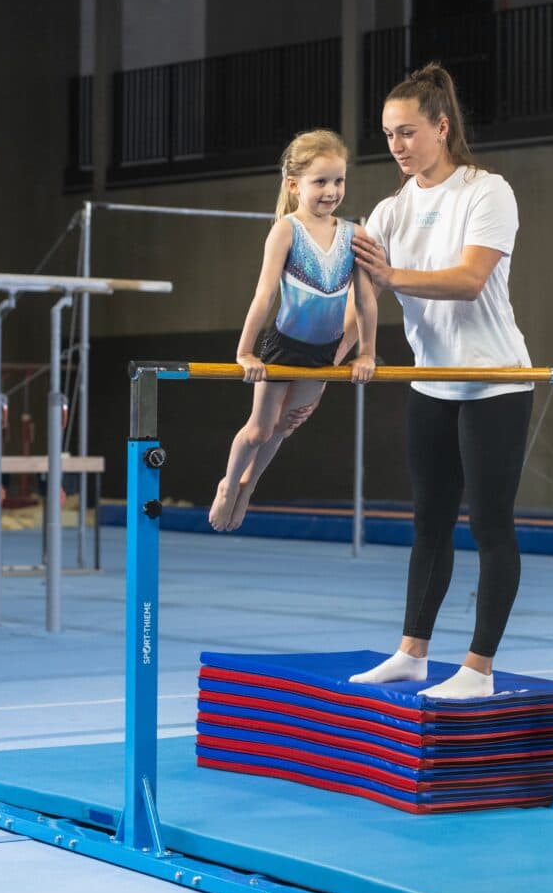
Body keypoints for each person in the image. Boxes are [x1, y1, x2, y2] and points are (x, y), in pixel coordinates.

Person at [347, 63, 534, 703]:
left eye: (407, 132)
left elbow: (469, 280)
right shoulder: (390, 209)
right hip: (432, 383)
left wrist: (390, 277)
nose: (396, 145)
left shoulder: (487, 192)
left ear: (442, 128)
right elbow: (359, 299)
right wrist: (307, 362)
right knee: (428, 523)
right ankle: (412, 654)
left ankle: (478, 669)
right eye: (388, 135)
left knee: (489, 525)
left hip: (494, 382)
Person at [211, 129, 368, 532]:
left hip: (324, 353)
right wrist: (245, 351)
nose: (331, 191)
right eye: (321, 181)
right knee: (259, 429)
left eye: (339, 180)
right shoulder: (287, 229)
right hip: (284, 345)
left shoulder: (354, 234)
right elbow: (264, 295)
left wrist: (365, 352)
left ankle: (249, 485)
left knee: (285, 426)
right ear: (294, 185)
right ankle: (229, 483)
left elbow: (365, 302)